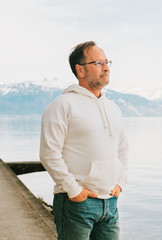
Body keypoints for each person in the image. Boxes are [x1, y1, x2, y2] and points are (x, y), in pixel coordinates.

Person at [40, 41, 128, 240]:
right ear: (80, 70)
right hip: (76, 203)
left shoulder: (113, 108)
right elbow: (49, 153)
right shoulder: (63, 105)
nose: (106, 67)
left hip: (110, 203)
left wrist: (120, 182)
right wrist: (73, 190)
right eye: (98, 63)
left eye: (107, 62)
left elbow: (123, 150)